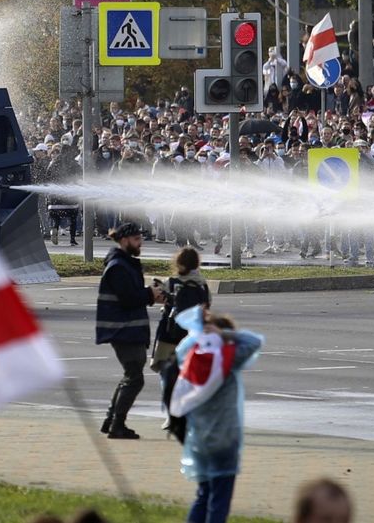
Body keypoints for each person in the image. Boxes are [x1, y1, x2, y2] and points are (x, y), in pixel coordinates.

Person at [175, 311, 264, 523]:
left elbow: (180, 350)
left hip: (198, 439)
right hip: (225, 438)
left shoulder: (192, 357)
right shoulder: (229, 358)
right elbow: (255, 341)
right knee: (220, 499)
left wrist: (199, 334)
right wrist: (225, 335)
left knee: (203, 495)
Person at [96, 222, 165, 439]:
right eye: (136, 240)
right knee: (135, 377)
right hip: (123, 330)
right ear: (124, 240)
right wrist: (149, 295)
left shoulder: (126, 263)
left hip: (128, 329)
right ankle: (117, 425)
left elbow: (133, 295)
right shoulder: (118, 265)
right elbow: (128, 299)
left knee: (131, 375)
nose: (140, 243)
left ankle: (111, 421)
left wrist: (150, 294)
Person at [153, 246, 212, 372]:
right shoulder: (202, 285)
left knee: (167, 371)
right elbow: (208, 303)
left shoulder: (171, 282)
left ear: (179, 263)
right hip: (194, 334)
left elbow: (157, 296)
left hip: (170, 332)